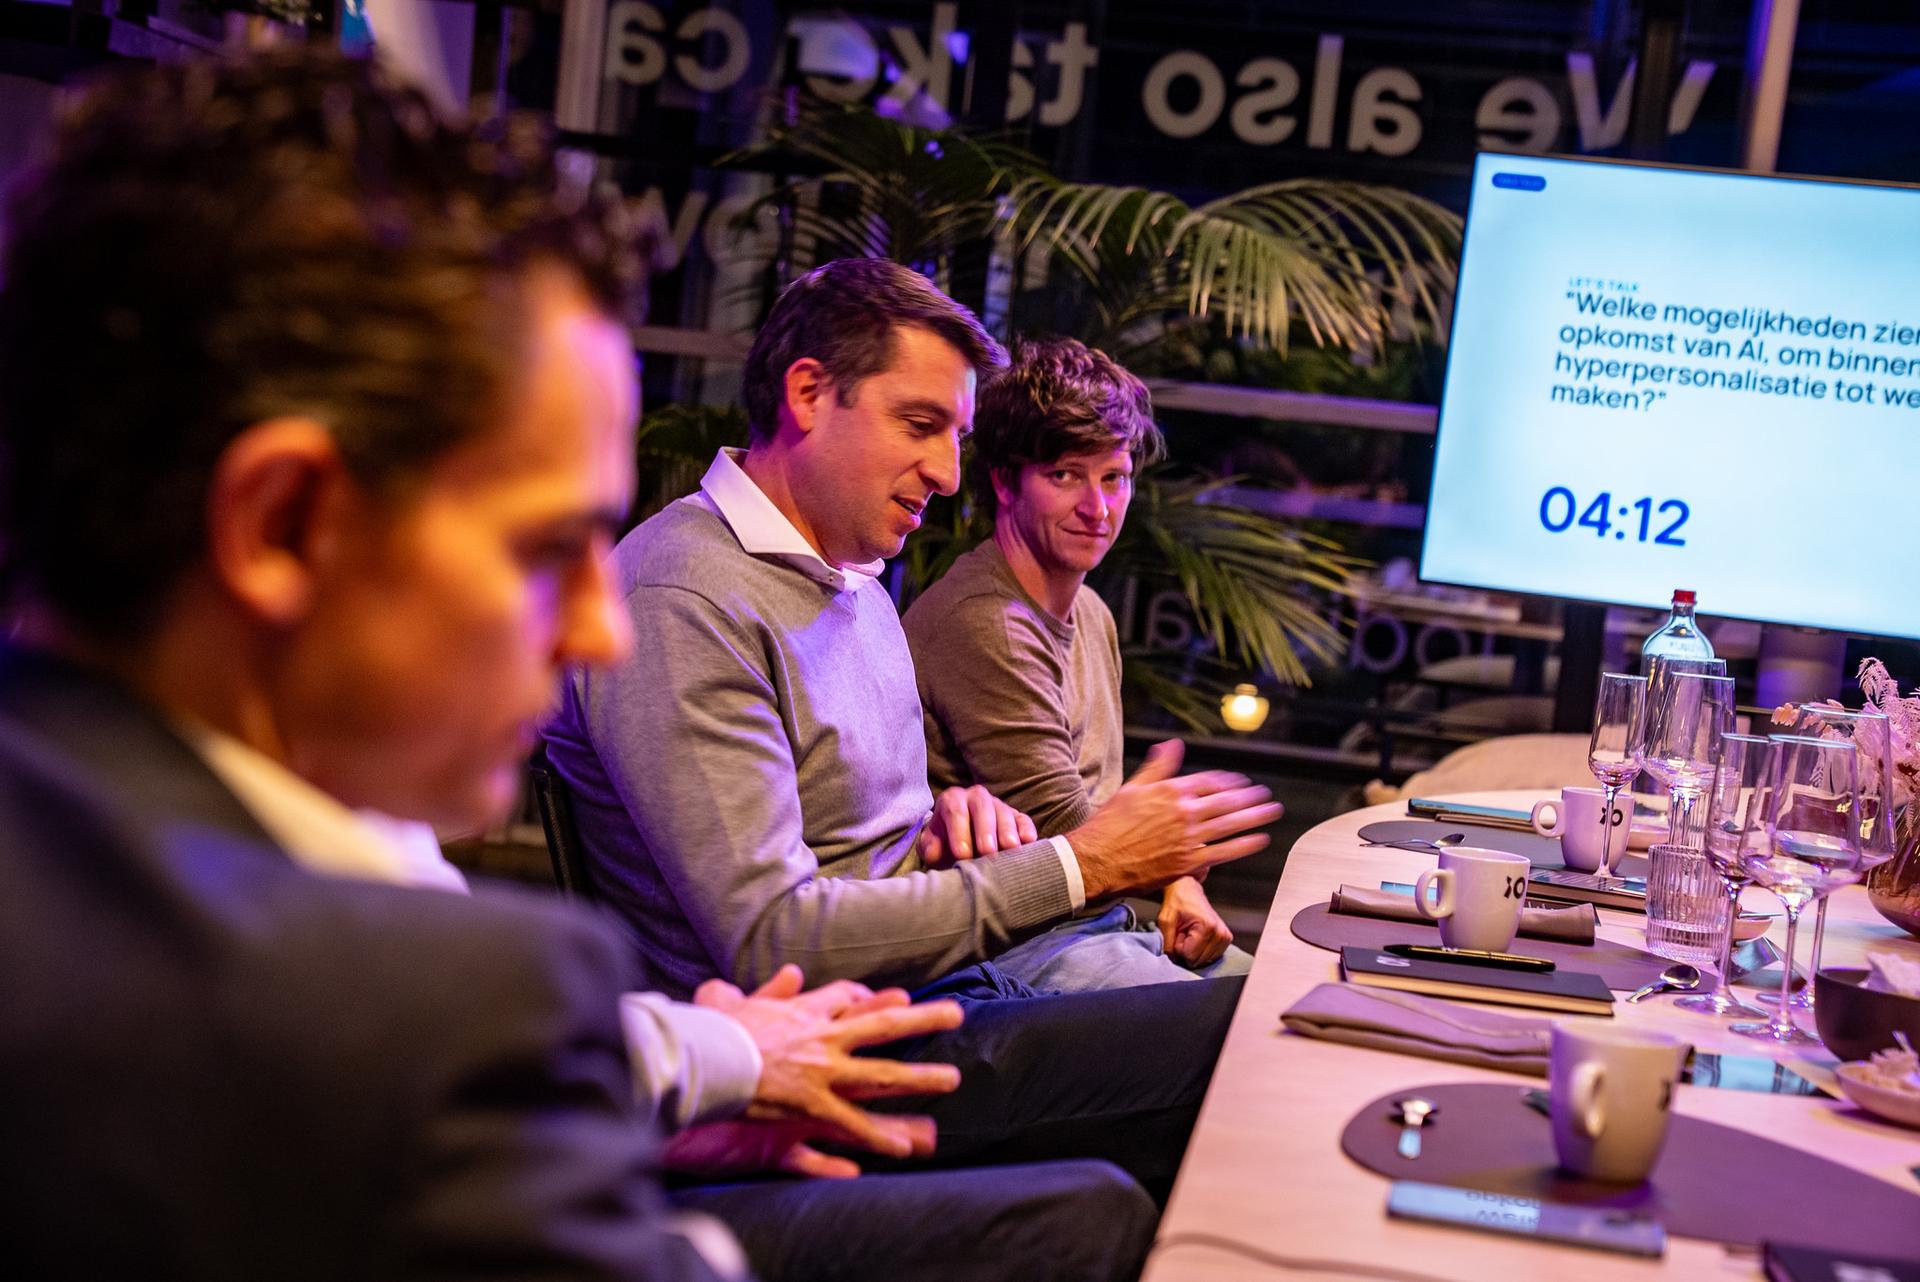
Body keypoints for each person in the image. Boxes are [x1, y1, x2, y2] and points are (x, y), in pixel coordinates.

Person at [0, 48, 1159, 1282]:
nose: (601, 631)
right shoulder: (393, 993)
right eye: (545, 547)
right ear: (283, 527)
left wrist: (683, 1085)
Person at [545, 258, 1281, 1004]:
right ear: (807, 394)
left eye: (956, 435)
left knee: (1274, 1004)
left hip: (952, 975)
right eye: (921, 425)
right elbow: (776, 941)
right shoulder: (681, 595)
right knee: (1254, 1031)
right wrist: (1084, 864)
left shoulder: (853, 580)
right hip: (846, 1030)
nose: (948, 475)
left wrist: (944, 825)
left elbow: (863, 847)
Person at [903, 337, 1255, 991]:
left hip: (1098, 921)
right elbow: (1072, 832)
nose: (1097, 508)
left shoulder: (1091, 610)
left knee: (1277, 996)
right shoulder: (985, 621)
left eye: (1113, 478)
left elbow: (1103, 828)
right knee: (1247, 1021)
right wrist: (1178, 860)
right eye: (1066, 475)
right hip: (1012, 947)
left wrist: (1178, 880)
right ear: (1005, 480)